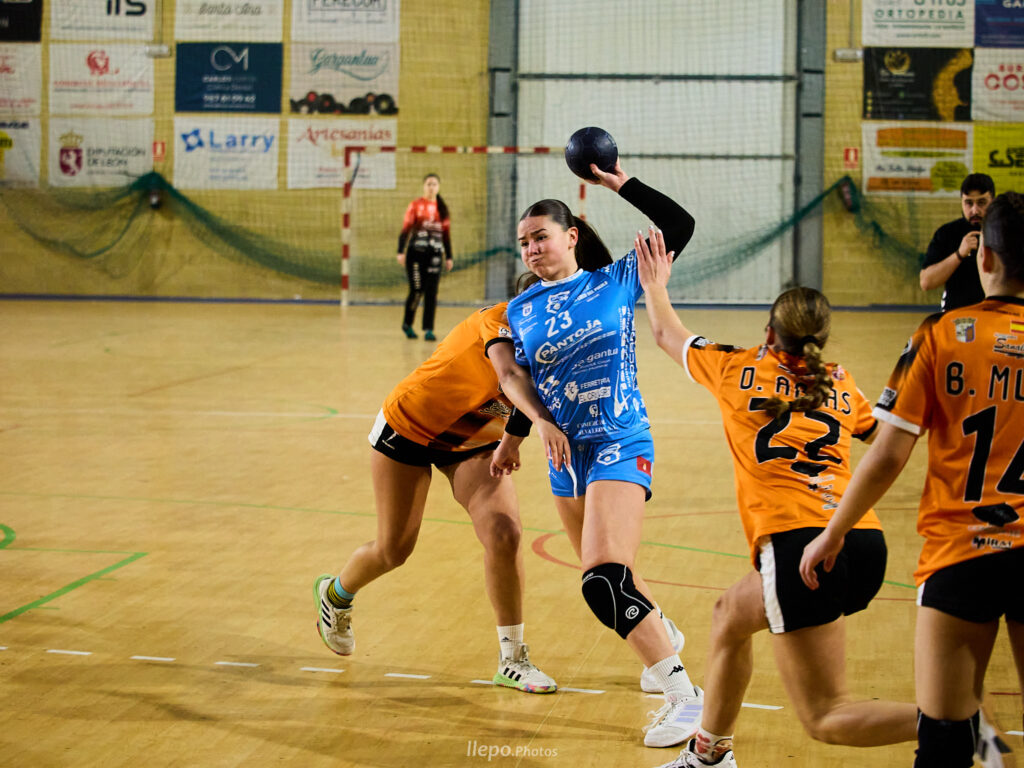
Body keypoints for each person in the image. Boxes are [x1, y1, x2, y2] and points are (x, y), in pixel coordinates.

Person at [635, 230, 918, 767]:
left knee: (825, 717)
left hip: (799, 550)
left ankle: (957, 723)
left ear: (769, 331)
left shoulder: (734, 367)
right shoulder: (839, 381)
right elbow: (886, 443)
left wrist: (656, 284)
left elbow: (666, 333)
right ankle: (710, 755)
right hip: (865, 543)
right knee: (727, 618)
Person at [801, 192, 1024, 768]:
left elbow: (886, 455)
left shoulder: (939, 334)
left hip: (962, 554)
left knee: (946, 733)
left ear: (987, 260)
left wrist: (833, 533)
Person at [487, 160, 702, 749]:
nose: (531, 248)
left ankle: (686, 697)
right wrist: (519, 435)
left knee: (603, 579)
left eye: (541, 236)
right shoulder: (520, 310)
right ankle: (661, 634)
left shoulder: (615, 280)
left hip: (620, 438)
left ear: (571, 235)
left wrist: (617, 182)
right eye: (524, 241)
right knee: (618, 575)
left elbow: (679, 224)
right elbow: (525, 383)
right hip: (566, 458)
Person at [314, 302, 556, 693]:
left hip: (473, 440)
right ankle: (336, 593)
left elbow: (532, 398)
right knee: (393, 550)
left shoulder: (557, 343)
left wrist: (511, 441)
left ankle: (512, 659)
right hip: (408, 430)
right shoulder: (495, 324)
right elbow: (511, 376)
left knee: (504, 532)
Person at [919, 173, 995, 312]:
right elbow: (926, 282)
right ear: (961, 202)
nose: (975, 210)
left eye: (981, 203)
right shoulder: (947, 233)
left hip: (995, 315)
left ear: (993, 202)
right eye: (968, 203)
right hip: (956, 315)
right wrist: (959, 254)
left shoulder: (1006, 232)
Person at [397, 173, 453, 341]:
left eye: (434, 184)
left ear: (438, 187)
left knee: (431, 293)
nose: (431, 187)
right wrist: (401, 251)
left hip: (435, 255)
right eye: (428, 184)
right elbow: (405, 229)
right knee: (416, 290)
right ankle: (407, 324)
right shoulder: (415, 205)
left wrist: (449, 256)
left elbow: (446, 235)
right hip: (415, 255)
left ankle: (428, 329)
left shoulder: (442, 209)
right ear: (424, 186)